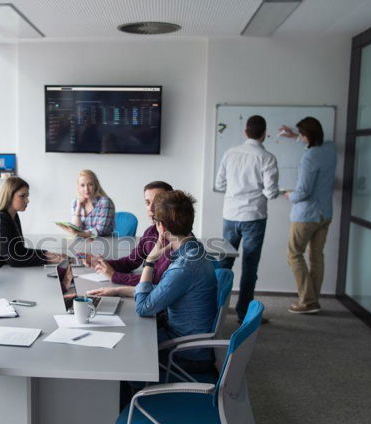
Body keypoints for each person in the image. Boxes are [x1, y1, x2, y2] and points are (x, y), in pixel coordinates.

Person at [134, 190, 218, 371]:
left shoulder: (183, 267)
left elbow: (143, 308)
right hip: (194, 342)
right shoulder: (196, 249)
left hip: (185, 353)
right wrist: (118, 291)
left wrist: (149, 261)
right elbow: (165, 290)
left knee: (129, 341)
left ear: (161, 227)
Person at [215, 115, 278, 323]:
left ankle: (213, 308)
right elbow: (271, 193)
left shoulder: (230, 153)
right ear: (264, 133)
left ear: (245, 132)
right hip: (254, 217)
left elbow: (220, 184)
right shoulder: (267, 158)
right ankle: (243, 314)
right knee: (250, 267)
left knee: (224, 264)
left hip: (230, 215)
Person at [278, 117, 337, 314]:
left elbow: (303, 191)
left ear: (307, 136)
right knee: (316, 256)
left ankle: (308, 301)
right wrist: (295, 137)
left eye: (301, 134)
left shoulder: (310, 157)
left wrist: (288, 195)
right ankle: (313, 300)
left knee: (294, 254)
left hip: (306, 215)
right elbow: (320, 142)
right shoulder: (330, 150)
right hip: (325, 213)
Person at [86, 181, 174, 298]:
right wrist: (102, 263)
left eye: (157, 202)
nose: (151, 208)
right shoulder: (151, 232)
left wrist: (114, 276)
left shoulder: (177, 239)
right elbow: (131, 262)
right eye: (147, 202)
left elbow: (156, 279)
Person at [0, 176, 65, 267]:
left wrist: (46, 253)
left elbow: (20, 251)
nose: (27, 200)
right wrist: (47, 259)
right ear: (9, 196)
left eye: (27, 196)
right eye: (22, 196)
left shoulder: (14, 216)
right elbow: (12, 260)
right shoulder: (2, 219)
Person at [60, 169, 115, 237]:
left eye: (90, 184)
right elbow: (75, 228)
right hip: (81, 243)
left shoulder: (105, 202)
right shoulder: (75, 203)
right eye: (82, 185)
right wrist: (78, 208)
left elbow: (100, 231)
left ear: (96, 185)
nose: (86, 189)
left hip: (103, 243)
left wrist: (78, 234)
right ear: (78, 187)